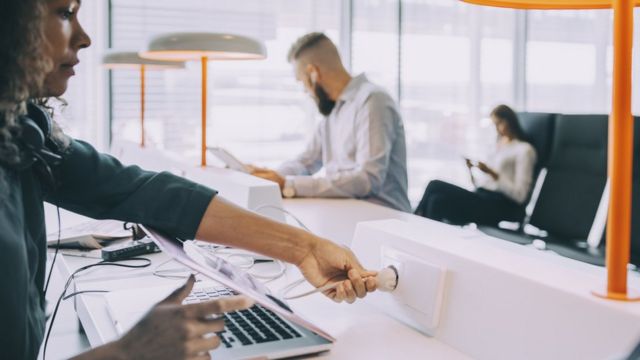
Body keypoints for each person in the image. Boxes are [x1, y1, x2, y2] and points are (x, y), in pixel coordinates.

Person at [0, 1, 378, 359]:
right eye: (65, 13)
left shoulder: (23, 132)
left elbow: (141, 190)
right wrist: (127, 353)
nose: (85, 37)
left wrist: (305, 249)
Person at [251, 32, 411, 212]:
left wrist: (289, 184)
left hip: (385, 219)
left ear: (313, 73)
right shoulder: (333, 111)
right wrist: (271, 177)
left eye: (302, 82)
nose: (305, 91)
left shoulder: (373, 101)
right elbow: (307, 161)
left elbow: (368, 179)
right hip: (348, 213)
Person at [414, 105, 537, 226]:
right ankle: (427, 238)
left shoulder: (524, 150)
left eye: (499, 123)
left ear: (509, 121)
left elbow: (520, 196)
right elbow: (482, 184)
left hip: (500, 205)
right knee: (436, 201)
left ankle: (414, 222)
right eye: (494, 124)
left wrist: (494, 174)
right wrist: (471, 170)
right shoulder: (498, 147)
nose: (497, 129)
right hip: (483, 196)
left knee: (434, 184)